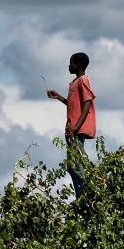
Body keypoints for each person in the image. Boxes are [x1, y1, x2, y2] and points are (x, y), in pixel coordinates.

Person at [47, 52, 96, 197]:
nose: (69, 65)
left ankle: (85, 194)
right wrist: (59, 97)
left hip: (76, 129)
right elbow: (74, 106)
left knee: (77, 164)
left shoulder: (83, 80)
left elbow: (87, 103)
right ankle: (80, 195)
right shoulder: (75, 83)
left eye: (71, 63)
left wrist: (76, 126)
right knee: (71, 166)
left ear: (78, 65)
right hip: (71, 130)